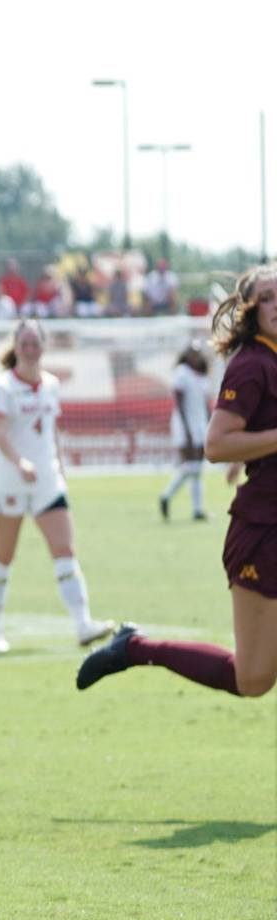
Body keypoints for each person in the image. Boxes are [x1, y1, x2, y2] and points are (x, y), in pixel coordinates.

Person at [80, 264, 277, 698]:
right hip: (264, 532)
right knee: (253, 680)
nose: (276, 304)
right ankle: (134, 648)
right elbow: (217, 443)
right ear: (249, 310)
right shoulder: (252, 365)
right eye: (266, 297)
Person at [0, 318, 117, 653]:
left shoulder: (52, 384)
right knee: (3, 556)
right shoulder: (3, 387)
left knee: (65, 550)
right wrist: (19, 463)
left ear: (43, 346)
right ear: (16, 347)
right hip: (9, 481)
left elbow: (51, 431)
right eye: (24, 344)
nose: (30, 350)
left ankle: (83, 625)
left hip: (47, 481)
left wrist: (60, 469)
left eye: (35, 344)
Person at [159, 346, 213, 521]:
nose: (196, 357)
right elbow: (179, 403)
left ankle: (193, 507)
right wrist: (187, 429)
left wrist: (211, 423)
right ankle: (169, 496)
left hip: (200, 424)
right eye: (193, 354)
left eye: (198, 353)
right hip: (186, 425)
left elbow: (206, 404)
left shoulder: (202, 376)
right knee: (193, 466)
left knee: (196, 467)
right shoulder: (182, 373)